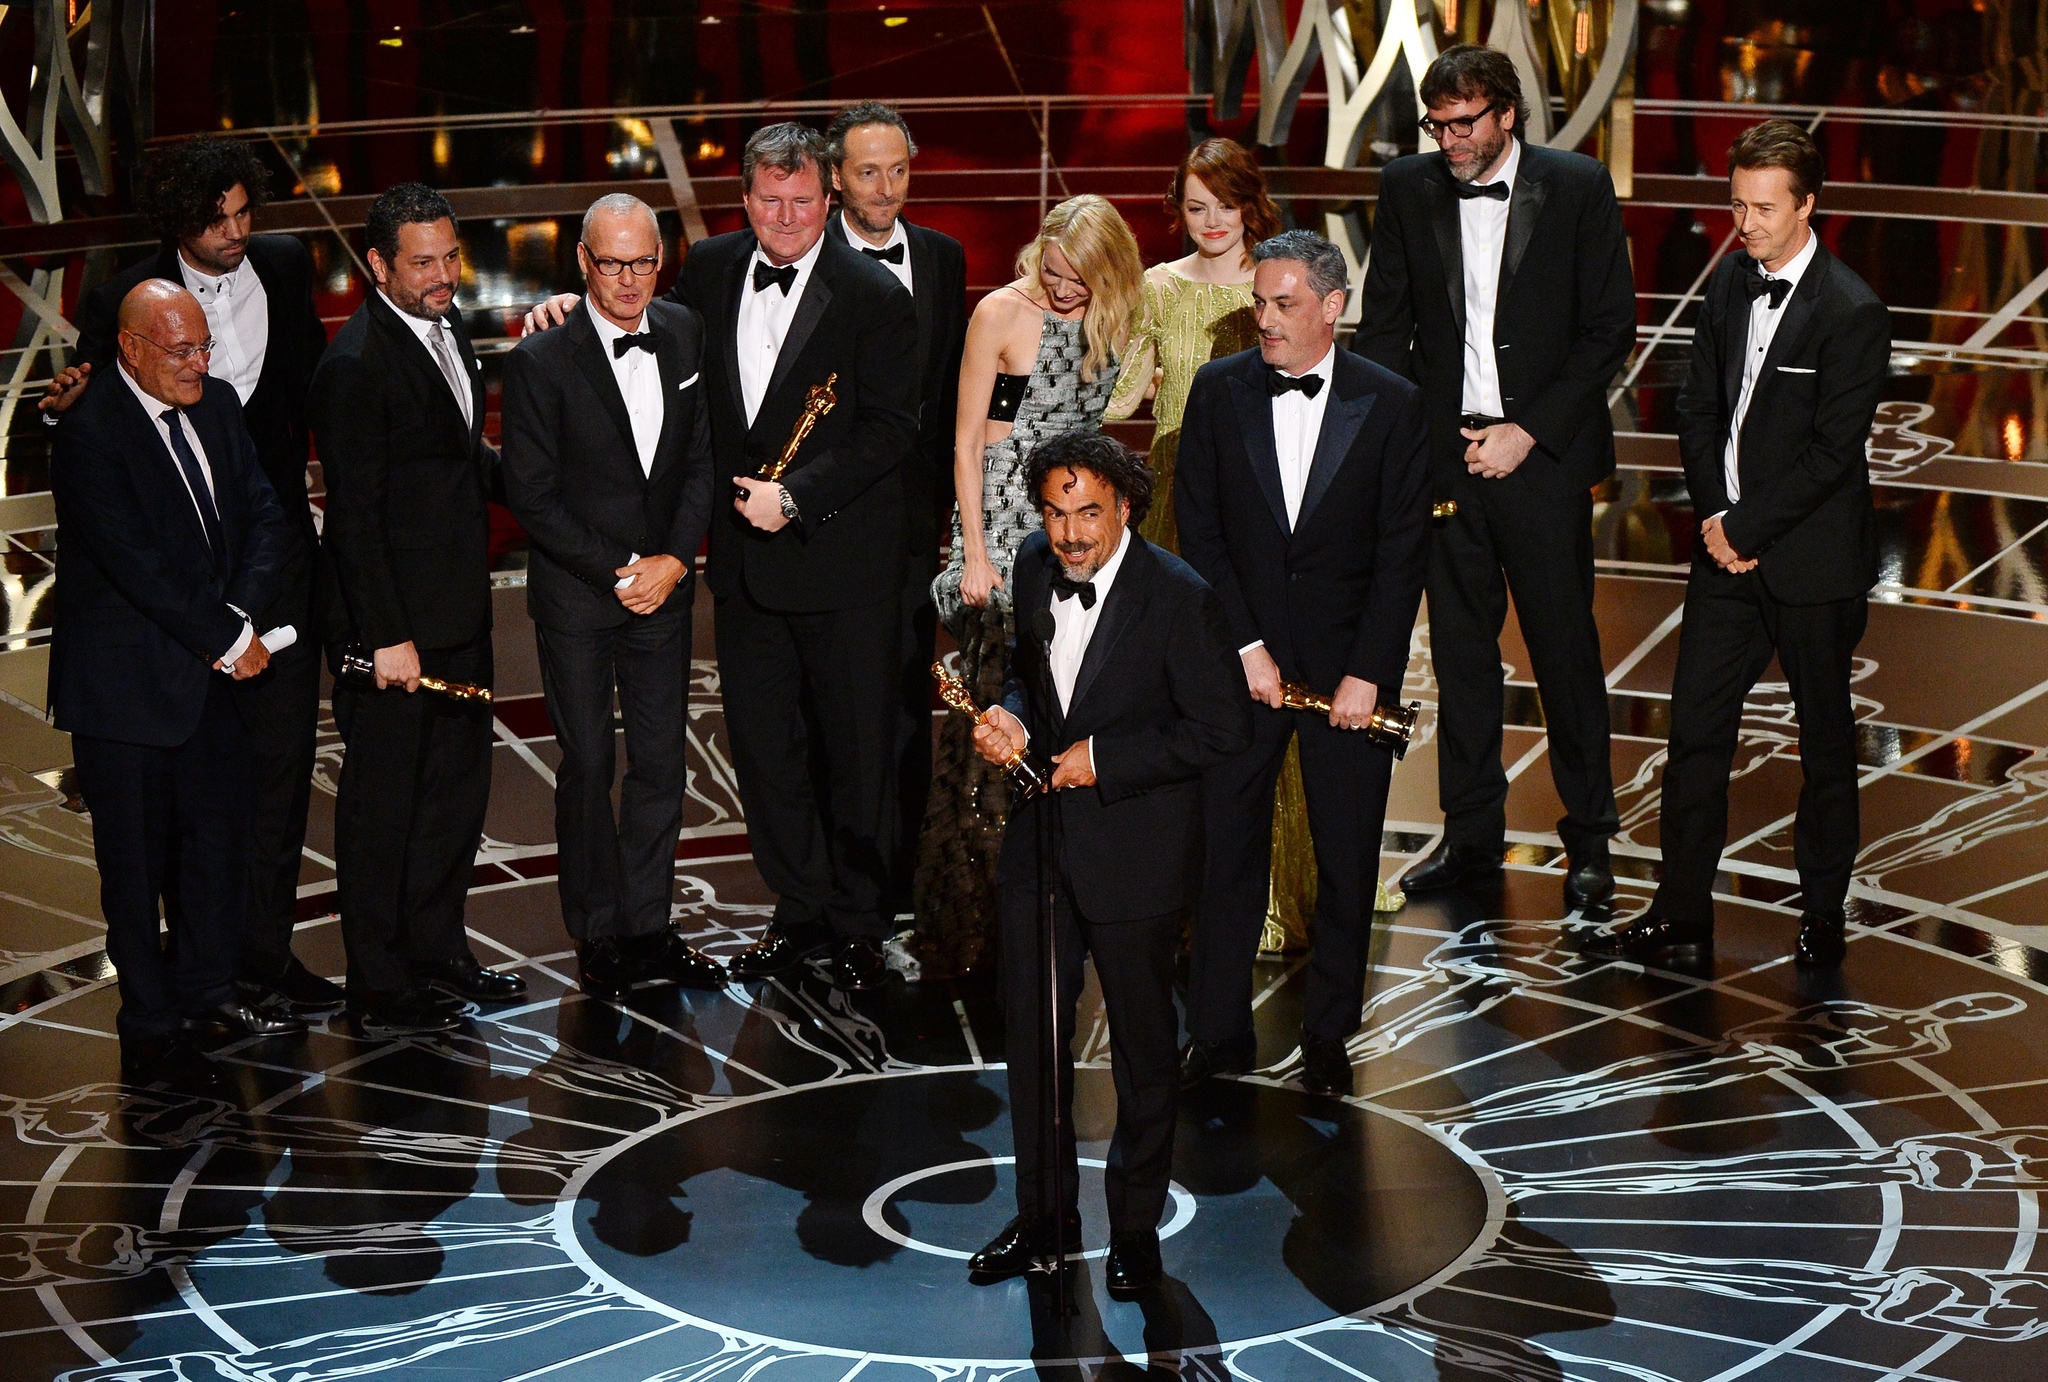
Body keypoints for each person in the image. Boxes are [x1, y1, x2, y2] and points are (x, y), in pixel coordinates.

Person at [526, 124, 920, 989]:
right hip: (744, 574)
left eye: (802, 200)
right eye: (768, 200)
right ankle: (800, 907)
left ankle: (857, 921)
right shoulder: (704, 274)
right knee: (768, 753)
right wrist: (562, 311)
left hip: (841, 565)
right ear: (744, 202)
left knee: (853, 754)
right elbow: (627, 319)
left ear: (830, 202)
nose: (785, 216)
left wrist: (801, 494)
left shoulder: (875, 294)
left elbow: (895, 429)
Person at [41, 136, 338, 1016]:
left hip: (264, 571)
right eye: (218, 220)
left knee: (266, 788)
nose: (238, 231)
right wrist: (218, 628)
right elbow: (101, 453)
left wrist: (243, 613)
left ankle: (253, 962)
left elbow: (311, 401)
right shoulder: (122, 313)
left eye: (247, 213)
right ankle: (167, 1005)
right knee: (155, 832)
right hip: (158, 626)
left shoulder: (281, 273)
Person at [1591, 121, 1889, 968]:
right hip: (1726, 553)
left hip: (1811, 562)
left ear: (1807, 205)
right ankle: (1682, 911)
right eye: (1737, 204)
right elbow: (1697, 411)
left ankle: (1824, 914)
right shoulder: (1727, 286)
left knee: (1826, 744)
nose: (1746, 222)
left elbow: (1835, 454)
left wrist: (1747, 528)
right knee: (1695, 736)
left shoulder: (1853, 310)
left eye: (1764, 208)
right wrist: (1718, 519)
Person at [965, 431, 1250, 1295]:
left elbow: (1220, 730)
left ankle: (1135, 1232)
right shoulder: (1027, 563)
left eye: (1088, 512)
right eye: (1055, 513)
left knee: (1142, 1050)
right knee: (1035, 1041)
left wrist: (1105, 759)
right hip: (1042, 844)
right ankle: (1045, 1215)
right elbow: (1029, 675)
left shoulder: (1180, 597)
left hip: (1138, 852)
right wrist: (1013, 718)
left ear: (1124, 508)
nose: (1070, 534)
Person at [1355, 44, 1635, 910]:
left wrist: (1528, 433)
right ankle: (1471, 840)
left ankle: (1590, 842)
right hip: (1447, 461)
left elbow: (1608, 330)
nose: (1448, 140)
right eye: (1437, 124)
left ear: (1508, 114)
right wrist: (1395, 453)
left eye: (1465, 122)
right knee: (1464, 661)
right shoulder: (1408, 186)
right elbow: (1385, 328)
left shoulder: (1579, 185)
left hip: (1541, 463)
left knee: (1563, 654)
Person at [1175, 230, 1431, 1095]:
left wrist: (1368, 672)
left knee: (1347, 857)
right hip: (1237, 664)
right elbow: (1200, 531)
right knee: (1225, 854)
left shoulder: (1392, 402)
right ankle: (1216, 1035)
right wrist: (1243, 645)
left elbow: (1402, 553)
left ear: (1333, 307)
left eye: (1284, 303)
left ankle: (1330, 1033)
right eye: (1259, 301)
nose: (1266, 319)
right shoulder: (1217, 392)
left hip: (1348, 677)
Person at [48, 279, 302, 1091]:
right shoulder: (89, 433)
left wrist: (239, 619)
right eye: (181, 350)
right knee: (133, 866)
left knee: (214, 850)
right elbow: (137, 568)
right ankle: (150, 1024)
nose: (200, 363)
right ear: (130, 348)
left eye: (204, 346)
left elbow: (267, 516)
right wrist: (228, 637)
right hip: (127, 696)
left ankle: (206, 993)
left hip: (215, 679)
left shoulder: (219, 406)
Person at [310, 183, 529, 1038]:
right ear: (377, 266)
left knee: (452, 796)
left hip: (457, 617)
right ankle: (379, 981)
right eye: (423, 263)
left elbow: (454, 456)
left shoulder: (445, 333)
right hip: (396, 636)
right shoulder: (357, 365)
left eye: (450, 256)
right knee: (383, 810)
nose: (445, 276)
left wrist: (544, 488)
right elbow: (355, 517)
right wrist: (387, 637)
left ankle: (438, 953)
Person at [500, 193, 723, 999]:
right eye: (612, 263)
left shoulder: (685, 332)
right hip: (581, 598)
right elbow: (530, 493)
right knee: (589, 764)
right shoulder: (538, 361)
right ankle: (595, 931)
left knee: (663, 764)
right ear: (583, 264)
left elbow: (700, 459)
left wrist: (673, 559)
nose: (629, 279)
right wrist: (625, 565)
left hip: (662, 588)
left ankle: (649, 927)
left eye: (644, 262)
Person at [917, 194, 1142, 976]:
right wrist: (972, 551)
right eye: (1051, 272)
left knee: (1071, 708)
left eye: (1077, 280)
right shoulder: (1002, 315)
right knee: (992, 726)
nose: (1061, 290)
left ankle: (1074, 900)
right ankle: (976, 923)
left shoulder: (1116, 311)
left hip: (1081, 526)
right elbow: (968, 442)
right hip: (1009, 523)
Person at [821, 102, 969, 931]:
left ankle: (904, 867)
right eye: (867, 172)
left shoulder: (943, 258)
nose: (885, 188)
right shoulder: (809, 258)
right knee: (841, 707)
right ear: (836, 176)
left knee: (912, 699)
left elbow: (952, 389)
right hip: (832, 522)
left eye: (898, 170)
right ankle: (844, 883)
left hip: (916, 523)